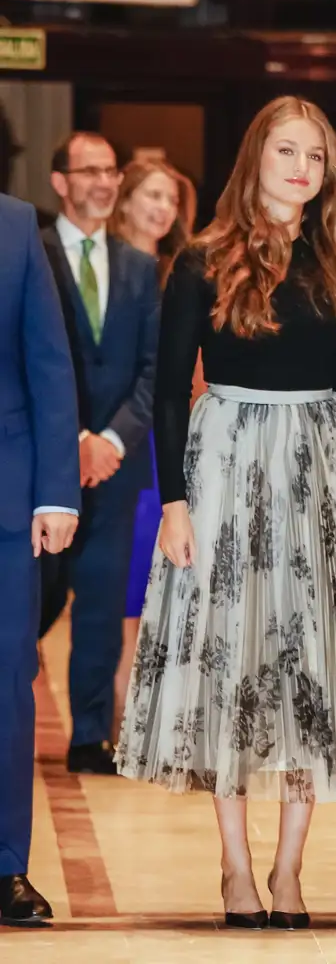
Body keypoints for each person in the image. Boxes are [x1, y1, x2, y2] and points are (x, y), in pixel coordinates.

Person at [114, 96, 336, 930]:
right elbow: (172, 391)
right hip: (228, 466)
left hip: (321, 465)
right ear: (256, 158)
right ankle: (236, 868)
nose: (302, 169)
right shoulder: (203, 259)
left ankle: (288, 870)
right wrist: (173, 499)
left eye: (315, 157)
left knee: (308, 661)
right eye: (287, 152)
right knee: (234, 663)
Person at [40, 132, 160, 774]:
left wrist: (110, 440)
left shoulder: (138, 267)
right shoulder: (30, 255)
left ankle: (89, 736)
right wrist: (74, 440)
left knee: (102, 603)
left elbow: (153, 367)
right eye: (89, 171)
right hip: (45, 462)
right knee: (33, 600)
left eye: (111, 170)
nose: (104, 182)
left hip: (119, 465)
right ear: (59, 182)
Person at [0, 193, 80, 926]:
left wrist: (58, 492)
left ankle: (5, 867)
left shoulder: (18, 226)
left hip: (6, 496)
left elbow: (50, 365)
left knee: (6, 684)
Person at [109, 157, 198, 742]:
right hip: (117, 446)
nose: (163, 209)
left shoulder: (179, 273)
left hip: (166, 447)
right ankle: (117, 719)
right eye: (152, 195)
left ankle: (148, 725)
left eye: (171, 199)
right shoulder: (105, 268)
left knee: (154, 595)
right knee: (120, 600)